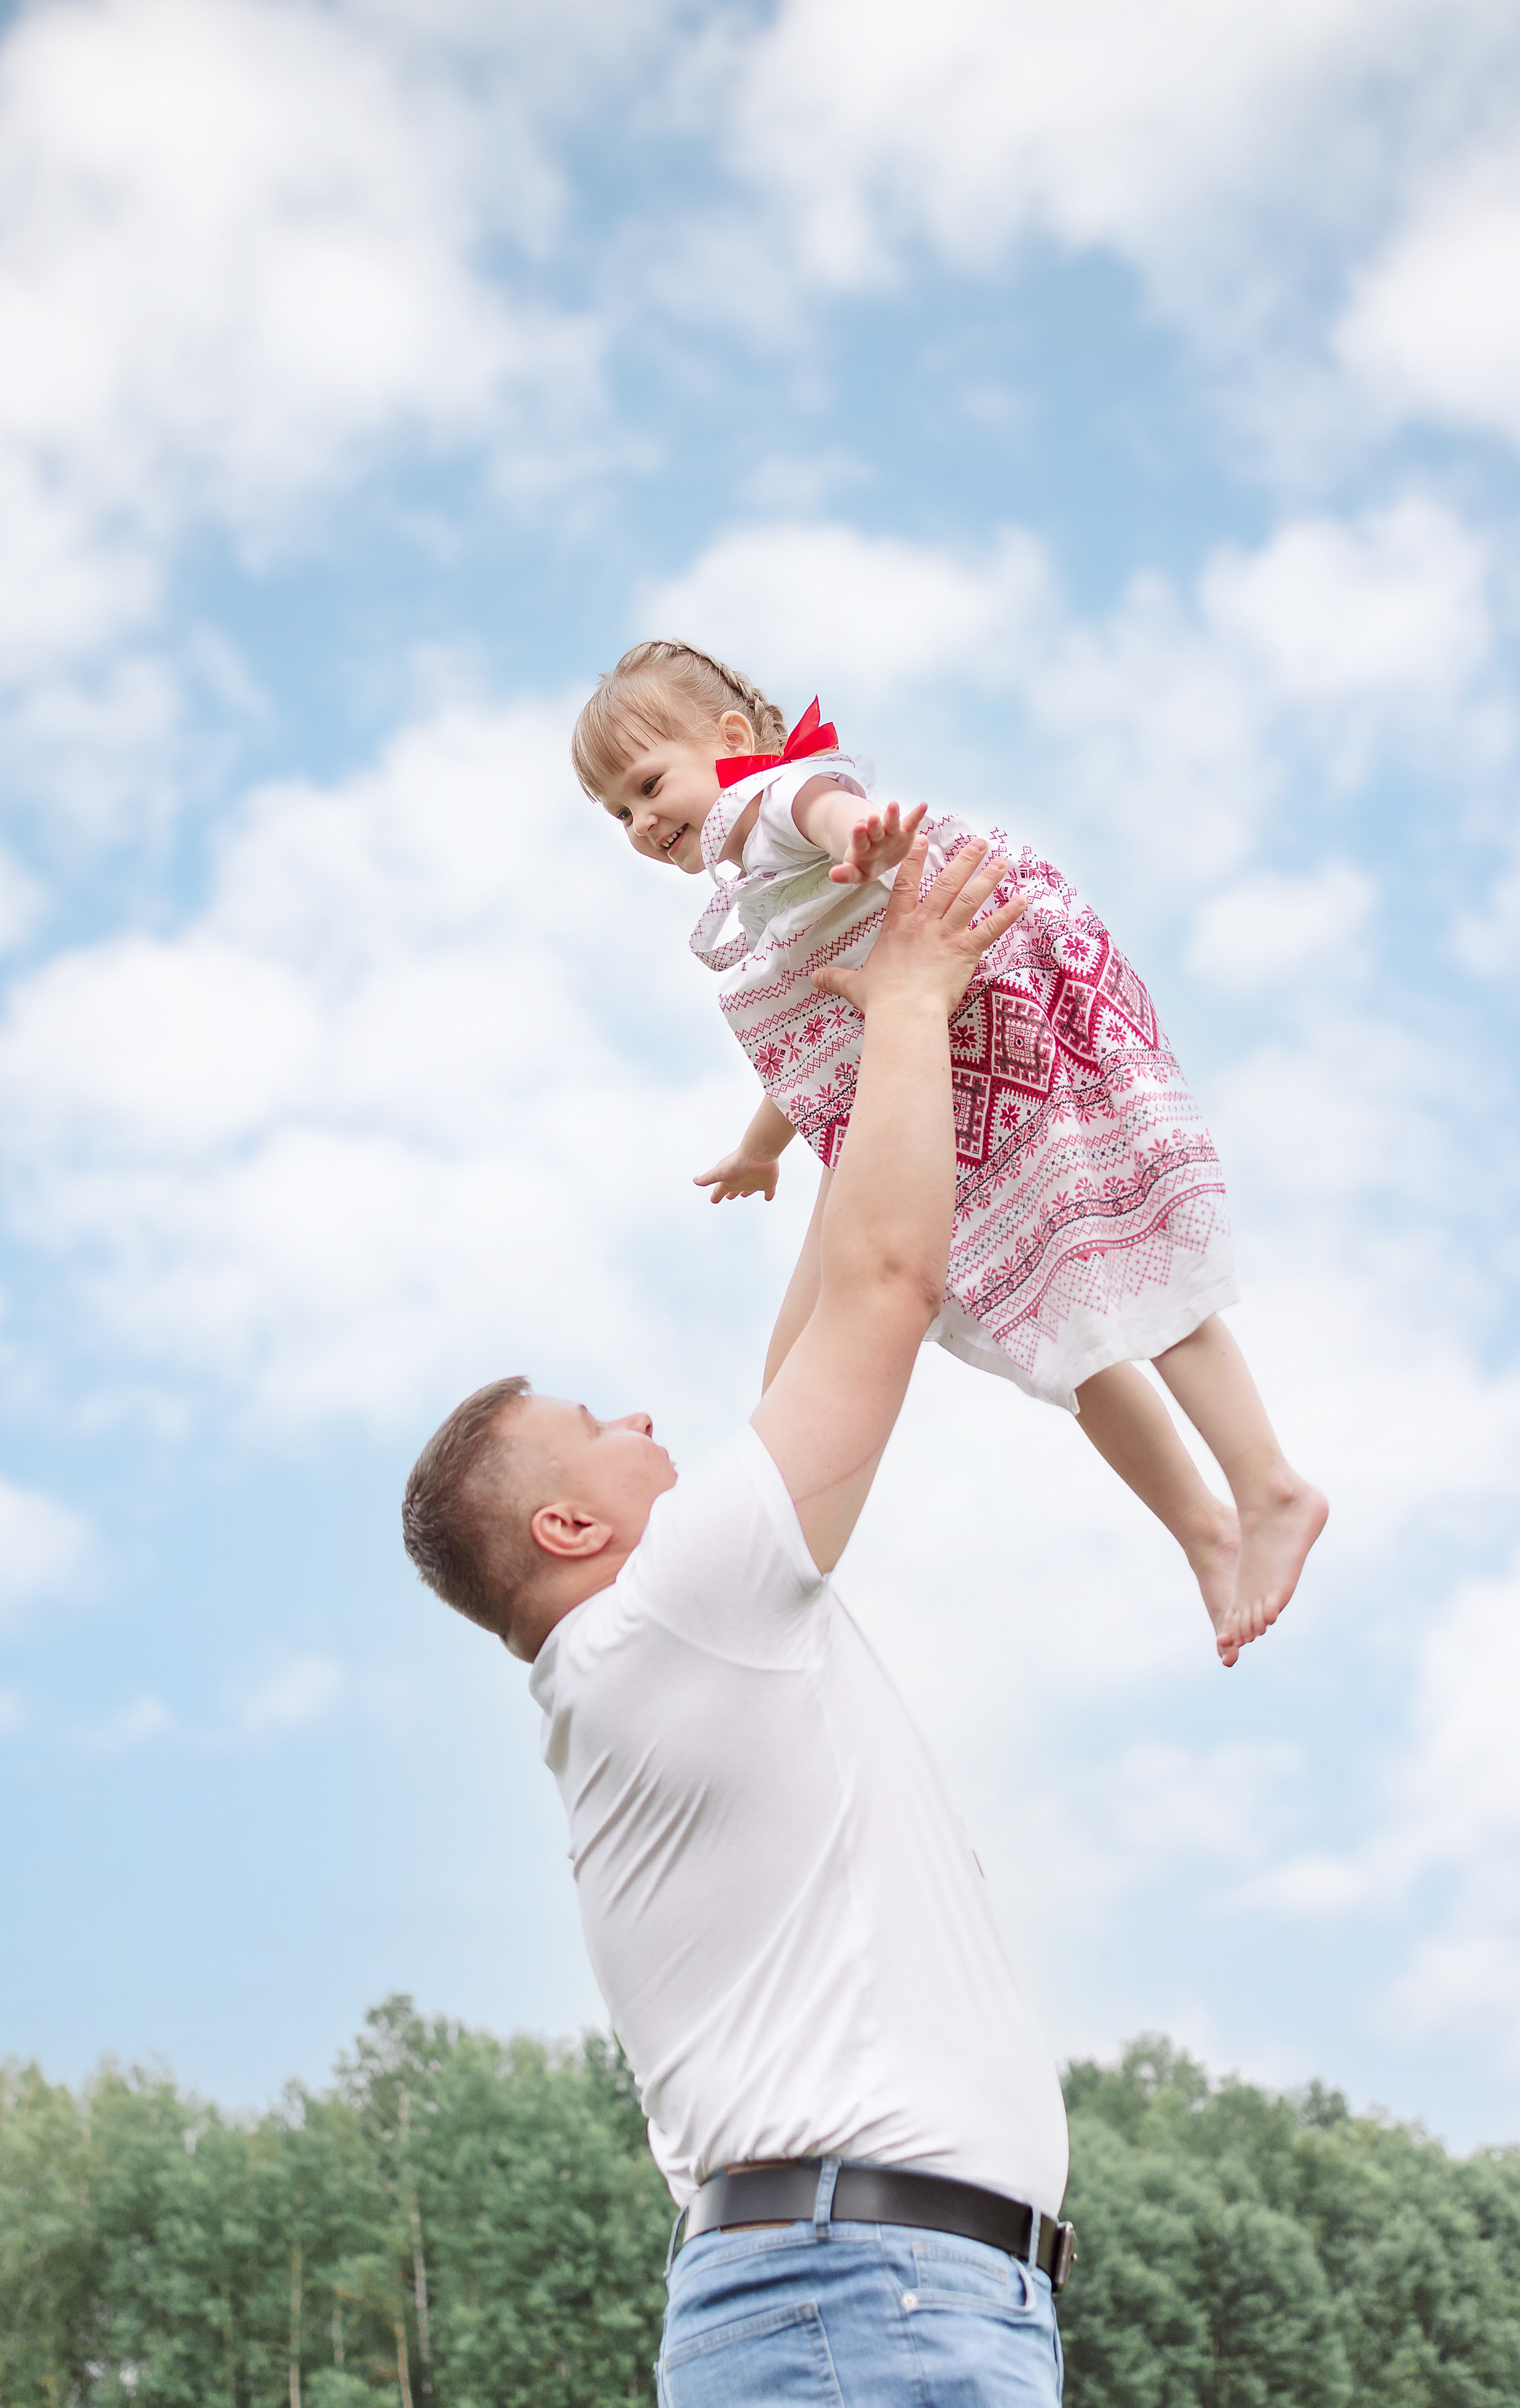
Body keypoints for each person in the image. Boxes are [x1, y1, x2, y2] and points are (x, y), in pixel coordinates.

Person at [404, 837, 1075, 2405]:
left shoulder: (652, 1651)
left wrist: (852, 1080)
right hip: (869, 2299)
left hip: (859, 2297)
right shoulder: (671, 1622)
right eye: (596, 1424)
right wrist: (906, 997)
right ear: (569, 1529)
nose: (642, 1416)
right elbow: (885, 1290)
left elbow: (826, 1318)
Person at [570, 640, 1327, 1666]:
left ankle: (1266, 1483)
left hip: (990, 1044)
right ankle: (1208, 1530)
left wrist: (865, 839)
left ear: (731, 741)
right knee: (1063, 1331)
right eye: (617, 812)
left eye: (649, 786)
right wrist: (759, 1149)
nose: (639, 822)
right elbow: (824, 1041)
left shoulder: (773, 802)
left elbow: (827, 809)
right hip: (949, 1080)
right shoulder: (764, 879)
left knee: (1124, 1265)